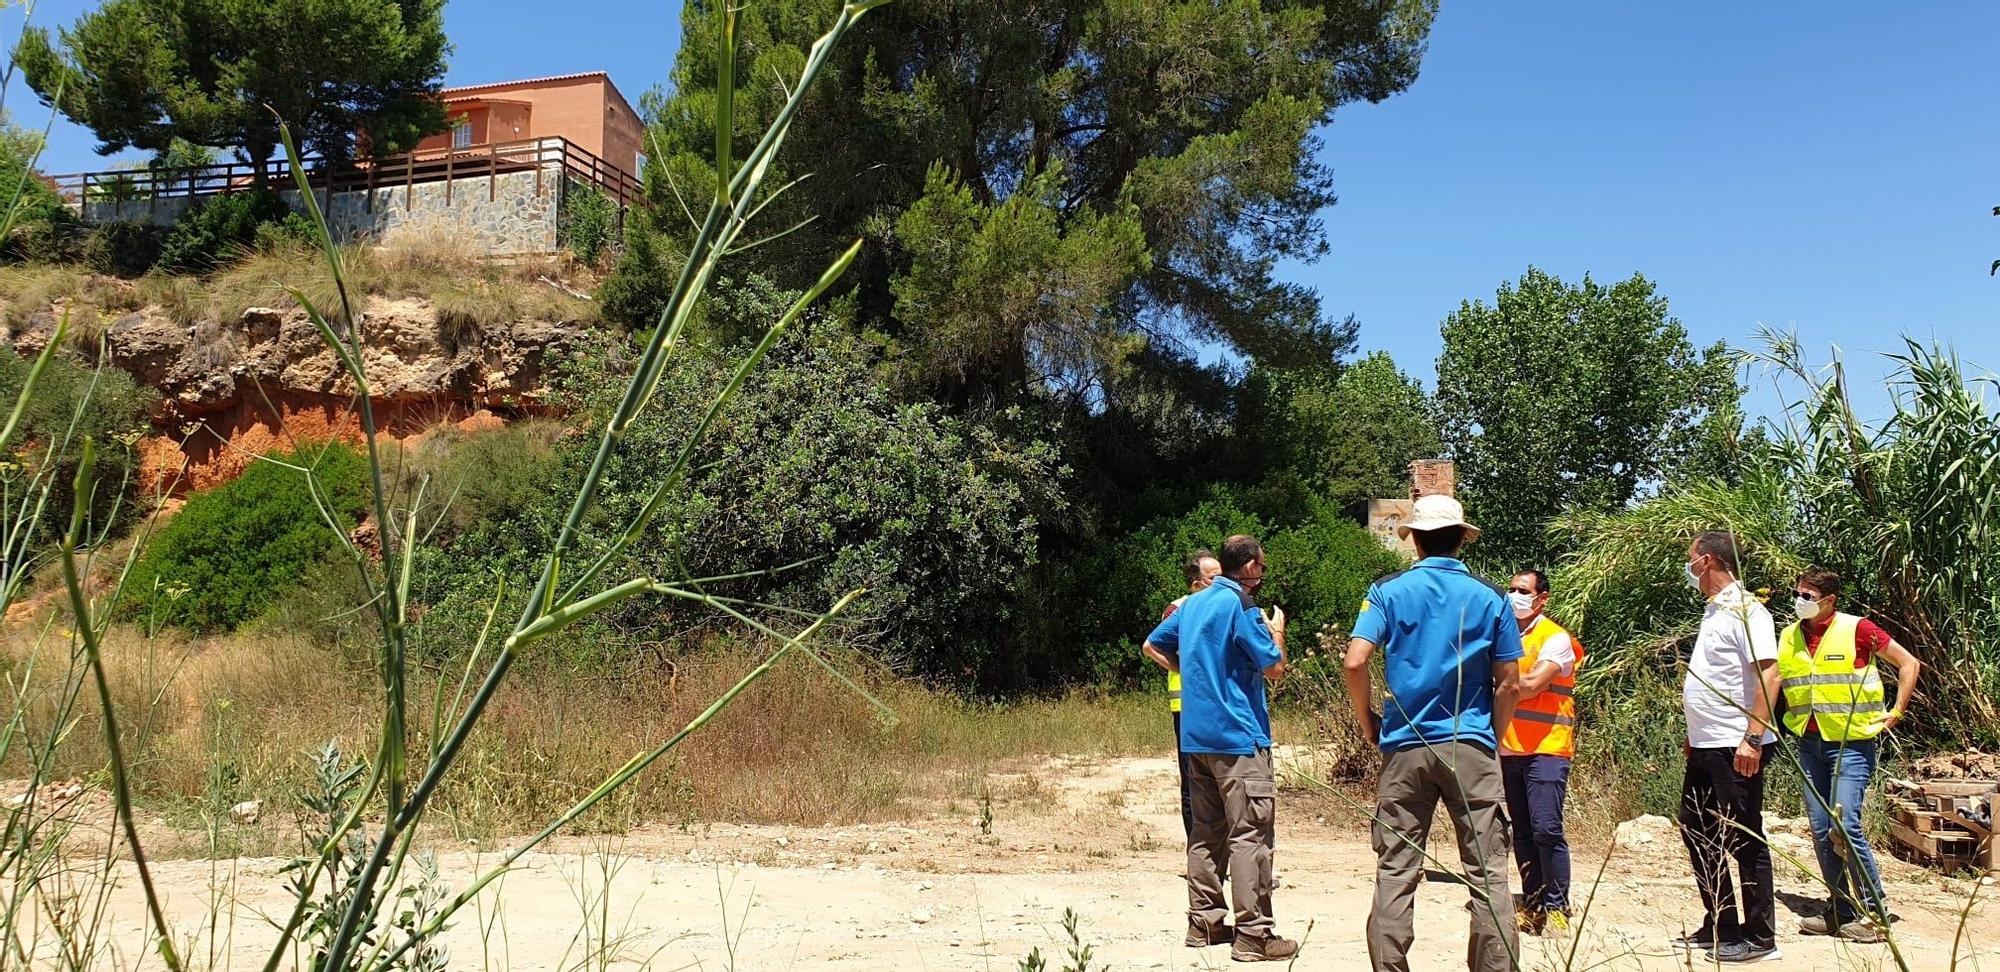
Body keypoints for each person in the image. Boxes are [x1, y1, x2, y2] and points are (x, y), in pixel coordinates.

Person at [1344, 494, 1523, 972]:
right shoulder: (1491, 597)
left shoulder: (1387, 590)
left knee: (1396, 869)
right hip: (1471, 745)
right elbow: (1510, 682)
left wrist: (1368, 724)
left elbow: (1355, 660)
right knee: (1488, 875)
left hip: (1404, 744)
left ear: (1415, 540)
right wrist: (1492, 735)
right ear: (1464, 538)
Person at [1142, 534, 1298, 962]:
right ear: (1248, 567)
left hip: (1196, 737)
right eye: (1261, 567)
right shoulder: (1242, 606)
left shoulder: (1191, 605)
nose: (1262, 573)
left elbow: (1153, 644)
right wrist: (1277, 632)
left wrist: (1196, 675)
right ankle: (1254, 935)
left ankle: (1205, 924)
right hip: (1239, 738)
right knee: (1250, 834)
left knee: (1206, 831)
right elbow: (1276, 669)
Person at [1780, 567, 1922, 944]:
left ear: (1829, 601)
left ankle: (1875, 914)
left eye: (1807, 596)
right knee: (1822, 828)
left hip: (1851, 743)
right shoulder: (1790, 635)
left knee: (1844, 823)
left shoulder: (1857, 629)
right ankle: (1841, 909)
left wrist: (1897, 710)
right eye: (1798, 593)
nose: (1800, 601)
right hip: (1809, 744)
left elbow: (1909, 663)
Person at [1673, 531, 1783, 963]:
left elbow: (1768, 677)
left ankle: (1760, 938)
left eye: (1691, 558)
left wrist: (1752, 737)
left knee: (1743, 835)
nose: (1688, 567)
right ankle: (1721, 922)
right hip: (1707, 742)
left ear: (1709, 562)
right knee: (1696, 826)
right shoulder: (1715, 611)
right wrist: (1694, 732)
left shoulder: (1747, 611)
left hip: (1736, 743)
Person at [1498, 568, 1584, 938]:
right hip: (1509, 747)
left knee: (1546, 829)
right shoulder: (1501, 635)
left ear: (1542, 598)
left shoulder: (1555, 638)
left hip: (1547, 748)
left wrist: (1495, 681)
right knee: (1522, 831)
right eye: (1512, 588)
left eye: (1524, 590)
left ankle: (1558, 907)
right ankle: (1533, 904)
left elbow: (1532, 685)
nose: (1515, 595)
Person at [1144, 549, 1224, 839]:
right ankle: (1199, 851)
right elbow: (1153, 646)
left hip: (1218, 703)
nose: (1222, 581)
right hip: (1187, 704)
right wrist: (1185, 671)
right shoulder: (1180, 609)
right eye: (1214, 577)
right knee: (1194, 780)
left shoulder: (1226, 605)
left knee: (1223, 779)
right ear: (1196, 584)